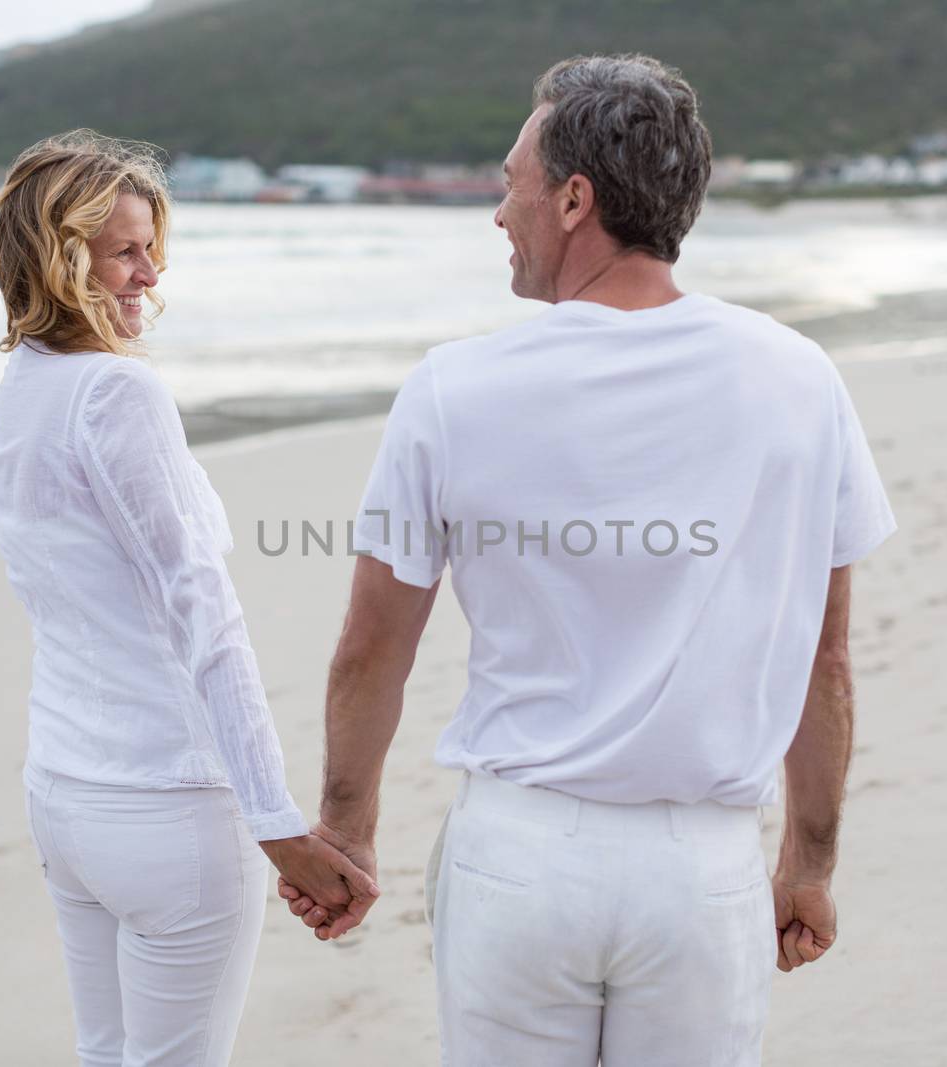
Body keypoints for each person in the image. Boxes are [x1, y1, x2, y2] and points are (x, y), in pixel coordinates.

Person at [279, 55, 897, 1064]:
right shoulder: (798, 378)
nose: (497, 213)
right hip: (701, 869)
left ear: (574, 199)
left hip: (518, 859)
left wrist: (346, 828)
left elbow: (370, 650)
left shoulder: (453, 389)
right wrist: (808, 861)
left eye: (510, 182)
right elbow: (823, 663)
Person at [0, 130, 376, 1067]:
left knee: (105, 1054)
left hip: (65, 794)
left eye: (152, 246)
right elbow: (207, 620)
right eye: (124, 249)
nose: (150, 274)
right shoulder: (118, 394)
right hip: (166, 810)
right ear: (59, 255)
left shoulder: (23, 385)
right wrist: (277, 819)